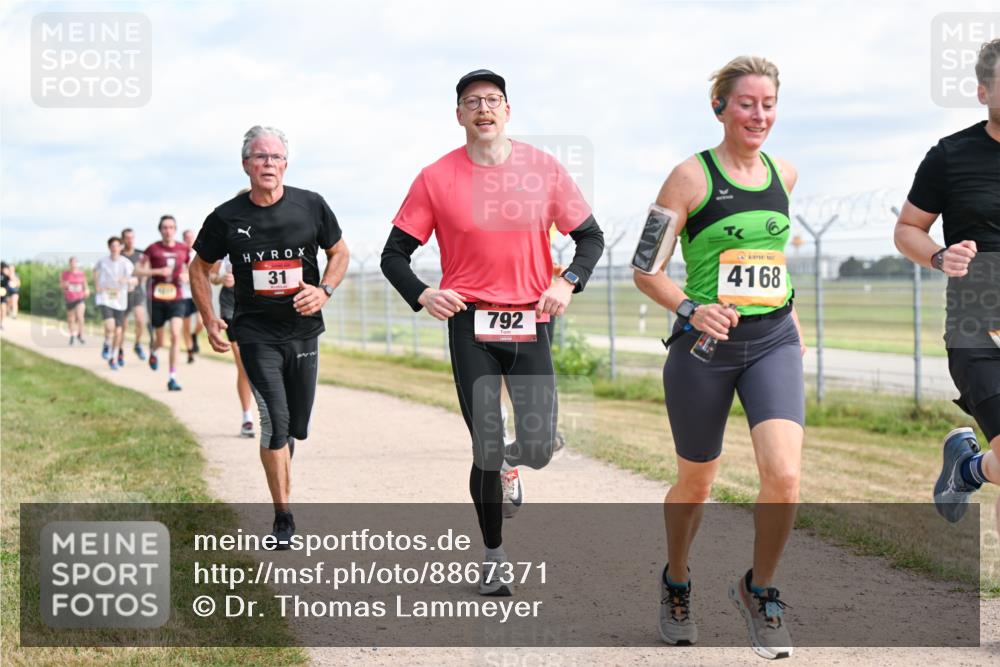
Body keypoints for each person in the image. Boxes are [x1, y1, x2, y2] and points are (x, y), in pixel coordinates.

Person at [381, 70, 604, 596]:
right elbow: (394, 255)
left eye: (493, 100)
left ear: (508, 111)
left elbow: (589, 238)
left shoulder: (543, 169)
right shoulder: (435, 178)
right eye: (472, 102)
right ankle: (494, 554)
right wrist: (424, 294)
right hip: (471, 323)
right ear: (459, 115)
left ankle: (515, 458)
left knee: (538, 447)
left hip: (531, 320)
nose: (484, 108)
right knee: (484, 444)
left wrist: (568, 281)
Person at [633, 56, 804, 659]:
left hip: (775, 340)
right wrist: (690, 310)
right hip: (705, 347)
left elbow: (772, 262)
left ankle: (760, 589)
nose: (759, 115)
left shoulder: (785, 172)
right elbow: (644, 269)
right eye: (746, 103)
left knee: (784, 476)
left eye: (768, 104)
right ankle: (676, 579)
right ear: (720, 108)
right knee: (697, 483)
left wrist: (796, 333)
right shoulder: (689, 177)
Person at [190, 125, 349, 546]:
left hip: (303, 332)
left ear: (286, 164)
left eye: (276, 157)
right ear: (245, 164)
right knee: (274, 422)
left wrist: (324, 291)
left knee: (296, 425)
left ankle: (282, 473)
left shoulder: (311, 205)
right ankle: (284, 516)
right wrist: (210, 320)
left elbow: (339, 252)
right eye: (260, 157)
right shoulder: (226, 217)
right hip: (255, 333)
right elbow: (198, 268)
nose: (268, 164)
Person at [894, 38, 1000, 523]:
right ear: (983, 92)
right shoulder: (951, 156)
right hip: (978, 329)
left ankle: (970, 468)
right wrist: (940, 257)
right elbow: (907, 229)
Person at [133, 215, 190, 391]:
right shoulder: (152, 249)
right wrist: (157, 270)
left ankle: (172, 377)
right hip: (156, 299)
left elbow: (191, 270)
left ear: (175, 229)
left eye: (171, 227)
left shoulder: (183, 249)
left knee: (174, 334)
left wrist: (186, 277)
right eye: (165, 227)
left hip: (177, 298)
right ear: (160, 230)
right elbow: (137, 270)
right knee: (161, 341)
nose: (168, 230)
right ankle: (153, 350)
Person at [211, 253, 256, 438]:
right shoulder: (225, 248)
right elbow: (211, 275)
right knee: (244, 365)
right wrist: (222, 278)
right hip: (232, 307)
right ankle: (247, 417)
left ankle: (276, 412)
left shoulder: (261, 241)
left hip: (258, 307)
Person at [93, 236, 135, 370]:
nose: (115, 248)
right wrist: (97, 285)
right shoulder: (103, 261)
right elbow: (95, 271)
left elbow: (134, 280)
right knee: (110, 326)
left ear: (121, 247)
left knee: (118, 332)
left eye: (117, 246)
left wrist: (127, 282)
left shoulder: (126, 263)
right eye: (112, 246)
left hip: (120, 299)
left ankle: (113, 356)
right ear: (109, 247)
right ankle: (106, 342)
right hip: (105, 297)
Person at [121, 228, 149, 362]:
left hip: (137, 291)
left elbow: (146, 269)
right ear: (123, 240)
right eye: (127, 237)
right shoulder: (119, 254)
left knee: (140, 319)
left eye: (132, 237)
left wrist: (141, 278)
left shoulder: (140, 254)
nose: (130, 240)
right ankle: (119, 349)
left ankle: (137, 344)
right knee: (123, 324)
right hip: (122, 293)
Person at [181, 228, 204, 364]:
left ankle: (194, 335)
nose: (189, 240)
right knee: (186, 325)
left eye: (191, 237)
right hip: (184, 294)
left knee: (201, 323)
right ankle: (190, 353)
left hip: (197, 292)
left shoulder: (198, 253)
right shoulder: (180, 254)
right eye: (186, 238)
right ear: (183, 239)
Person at [60, 256, 89, 344]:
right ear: (69, 264)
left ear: (77, 264)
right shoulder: (65, 274)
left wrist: (87, 290)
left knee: (80, 317)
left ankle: (80, 335)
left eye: (75, 262)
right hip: (69, 298)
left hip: (80, 298)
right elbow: (61, 286)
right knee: (71, 318)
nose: (73, 264)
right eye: (72, 263)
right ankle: (72, 335)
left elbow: (85, 286)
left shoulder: (81, 274)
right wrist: (65, 285)